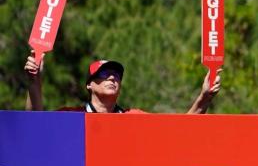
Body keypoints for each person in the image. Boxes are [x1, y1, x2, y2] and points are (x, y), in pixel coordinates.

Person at [23, 51, 221, 113]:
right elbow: (33, 125)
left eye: (116, 75)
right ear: (89, 84)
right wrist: (34, 80)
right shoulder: (71, 116)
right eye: (104, 73)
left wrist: (204, 98)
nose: (112, 77)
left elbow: (179, 133)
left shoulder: (133, 118)